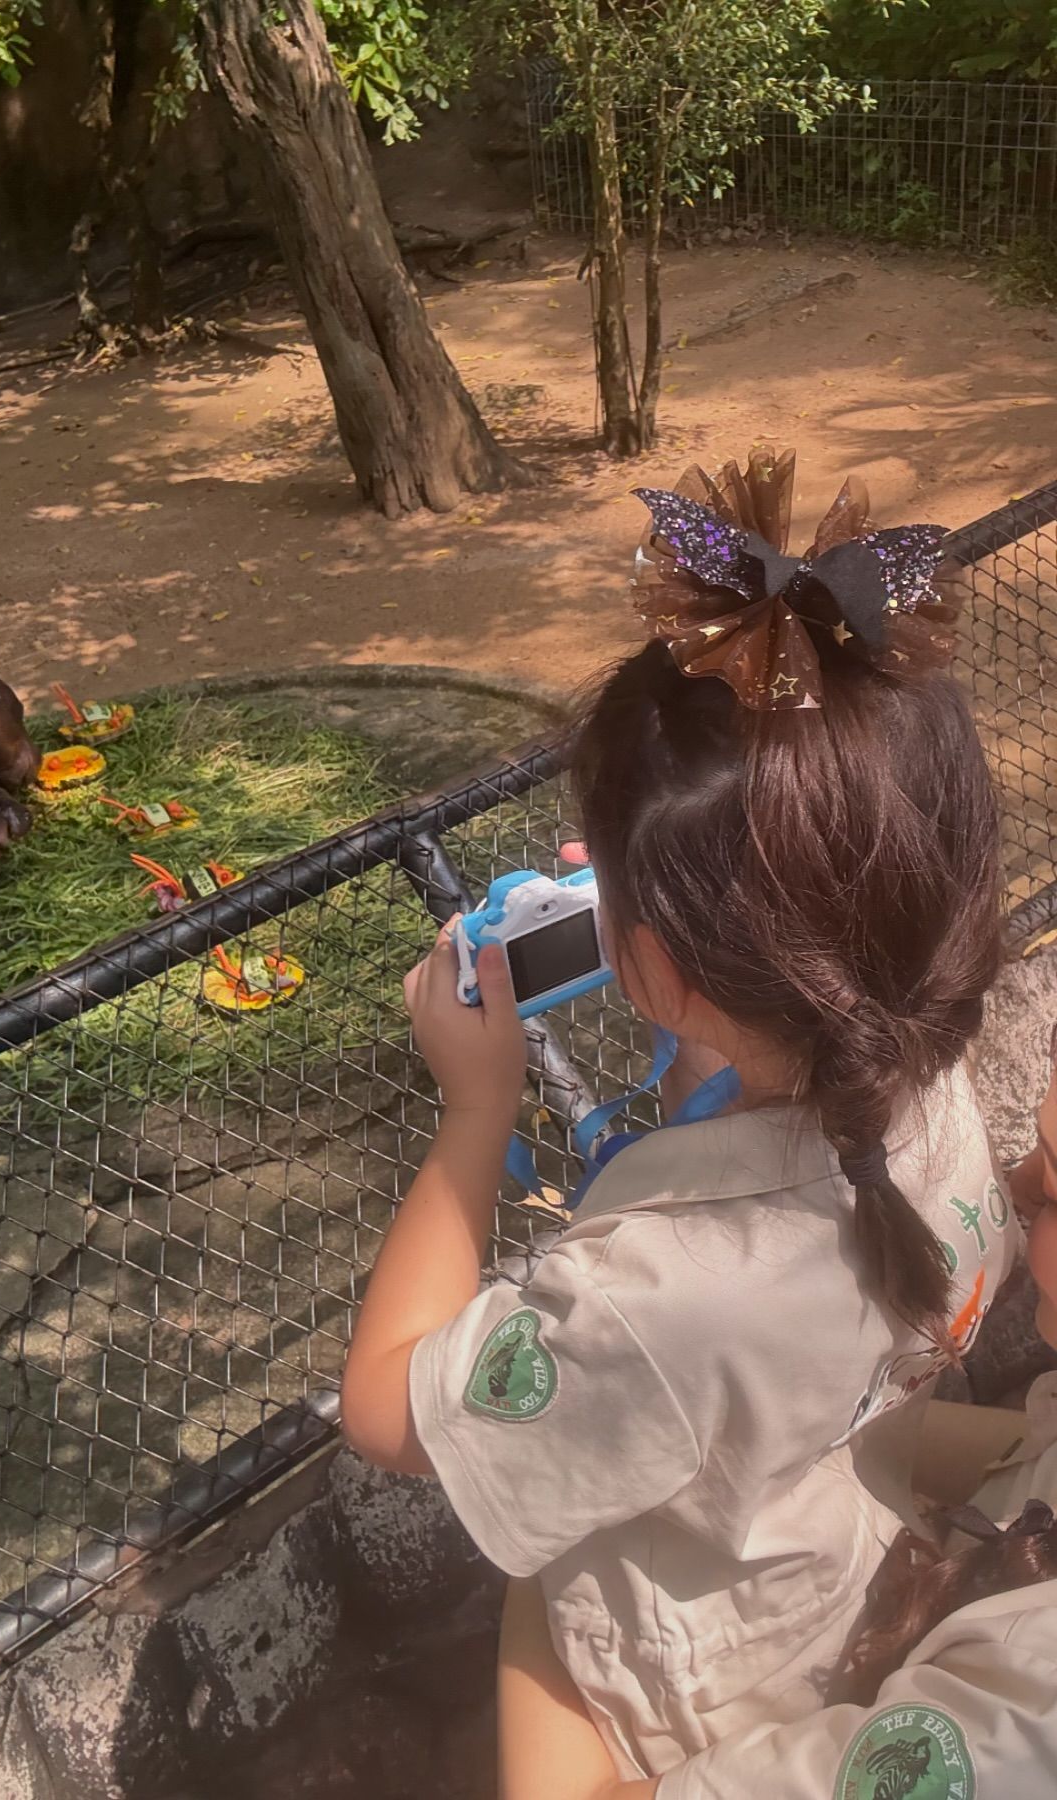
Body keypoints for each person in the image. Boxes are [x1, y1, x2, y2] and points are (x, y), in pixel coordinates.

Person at [341, 447, 1021, 1785]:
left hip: (708, 1665)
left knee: (544, 1596)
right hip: (840, 1535)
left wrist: (472, 1113)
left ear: (657, 970)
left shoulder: (649, 1299)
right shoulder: (923, 1066)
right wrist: (689, 987)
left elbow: (386, 1414)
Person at [501, 1033, 1057, 1800]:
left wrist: (545, 1541)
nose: (1015, 1188)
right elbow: (1026, 1463)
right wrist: (834, 1409)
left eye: (1054, 1186)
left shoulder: (1015, 1727)